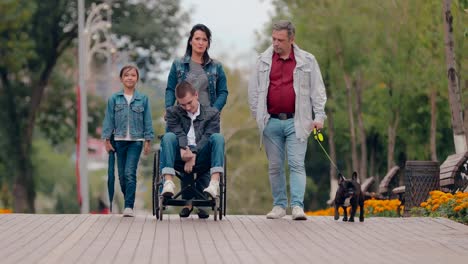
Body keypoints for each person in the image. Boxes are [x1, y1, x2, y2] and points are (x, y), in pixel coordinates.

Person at [248, 20, 327, 220]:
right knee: (275, 166)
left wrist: (319, 117)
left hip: (297, 122)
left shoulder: (307, 61)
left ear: (291, 39)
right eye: (274, 39)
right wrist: (259, 118)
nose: (276, 43)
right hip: (271, 121)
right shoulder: (262, 60)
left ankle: (298, 206)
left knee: (296, 164)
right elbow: (254, 93)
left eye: (280, 40)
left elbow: (318, 92)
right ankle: (279, 205)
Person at [164, 23, 228, 217]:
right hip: (182, 115)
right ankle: (189, 202)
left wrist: (214, 110)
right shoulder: (179, 64)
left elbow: (223, 91)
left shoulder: (215, 66)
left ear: (208, 43)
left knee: (203, 148)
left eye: (204, 39)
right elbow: (170, 88)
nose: (200, 42)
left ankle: (201, 201)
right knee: (183, 142)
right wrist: (169, 108)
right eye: (197, 38)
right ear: (190, 41)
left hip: (206, 117)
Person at [160, 81, 225, 219]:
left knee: (218, 138)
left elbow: (207, 137)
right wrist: (184, 149)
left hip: (202, 158)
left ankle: (214, 184)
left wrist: (193, 154)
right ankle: (168, 182)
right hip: (179, 157)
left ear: (196, 95)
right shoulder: (173, 112)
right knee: (168, 137)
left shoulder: (212, 113)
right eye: (182, 104)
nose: (187, 107)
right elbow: (177, 133)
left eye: (190, 103)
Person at [102, 65, 154, 217]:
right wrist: (106, 140)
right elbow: (109, 120)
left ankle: (128, 206)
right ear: (121, 79)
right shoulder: (114, 99)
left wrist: (148, 140)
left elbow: (147, 120)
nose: (130, 77)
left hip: (136, 141)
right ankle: (128, 200)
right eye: (126, 75)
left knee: (130, 173)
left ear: (137, 78)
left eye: (133, 75)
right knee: (122, 177)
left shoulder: (143, 99)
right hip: (119, 141)